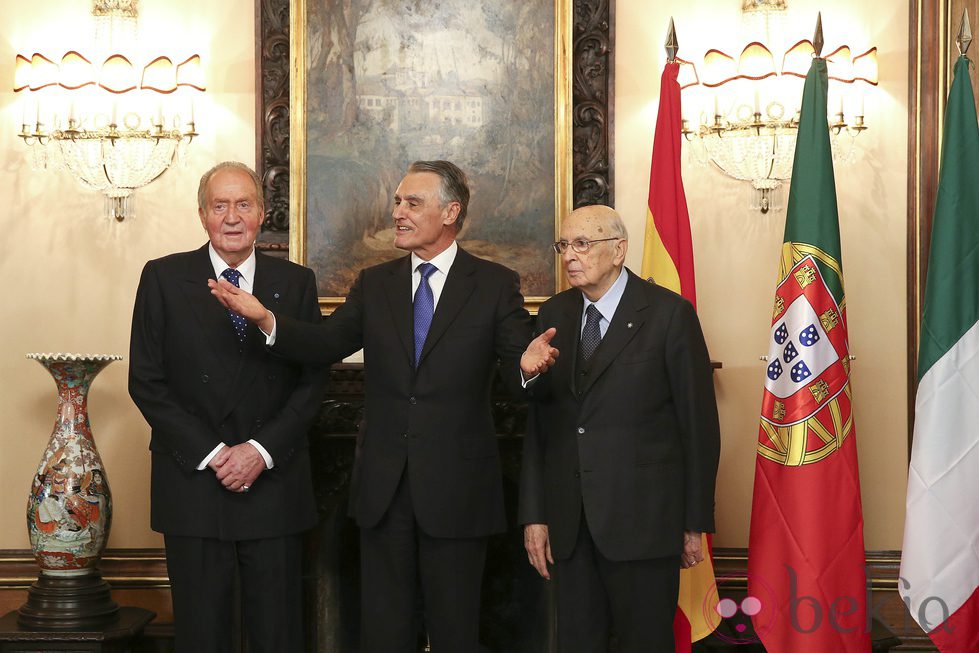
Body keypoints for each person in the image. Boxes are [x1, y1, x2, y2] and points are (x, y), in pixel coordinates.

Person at [209, 160, 554, 652]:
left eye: (412, 203)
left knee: (457, 634)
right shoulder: (375, 283)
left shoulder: (495, 284)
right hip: (383, 493)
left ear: (450, 211)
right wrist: (267, 318)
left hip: (459, 494)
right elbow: (325, 343)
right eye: (397, 201)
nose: (398, 212)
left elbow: (515, 373)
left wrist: (530, 366)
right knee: (383, 634)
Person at [129, 161, 328, 653]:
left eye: (244, 204)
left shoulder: (296, 282)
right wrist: (217, 453)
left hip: (273, 484)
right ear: (203, 215)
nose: (232, 217)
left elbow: (312, 380)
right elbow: (147, 382)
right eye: (221, 206)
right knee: (202, 634)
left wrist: (259, 451)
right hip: (195, 484)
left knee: (278, 633)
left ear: (262, 213)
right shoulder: (163, 278)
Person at [518, 204, 720, 652]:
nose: (570, 255)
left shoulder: (668, 314)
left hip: (645, 523)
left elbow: (699, 426)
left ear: (618, 250)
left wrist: (694, 522)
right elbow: (541, 426)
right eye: (564, 245)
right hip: (570, 524)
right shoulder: (554, 313)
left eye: (583, 244)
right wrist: (535, 514)